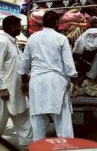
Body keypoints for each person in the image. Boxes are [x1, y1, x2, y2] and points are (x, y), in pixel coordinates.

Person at [17, 10, 78, 141]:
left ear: (43, 23)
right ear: (56, 23)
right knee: (63, 123)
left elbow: (24, 62)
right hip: (56, 82)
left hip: (37, 82)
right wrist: (75, 81)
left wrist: (24, 82)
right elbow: (69, 65)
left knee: (38, 121)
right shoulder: (61, 39)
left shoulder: (32, 38)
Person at [0, 15, 32, 147]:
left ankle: (28, 146)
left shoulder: (14, 43)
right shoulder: (3, 42)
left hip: (17, 91)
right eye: (18, 26)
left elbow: (19, 65)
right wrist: (3, 88)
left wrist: (25, 82)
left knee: (24, 119)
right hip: (5, 93)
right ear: (12, 27)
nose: (20, 28)